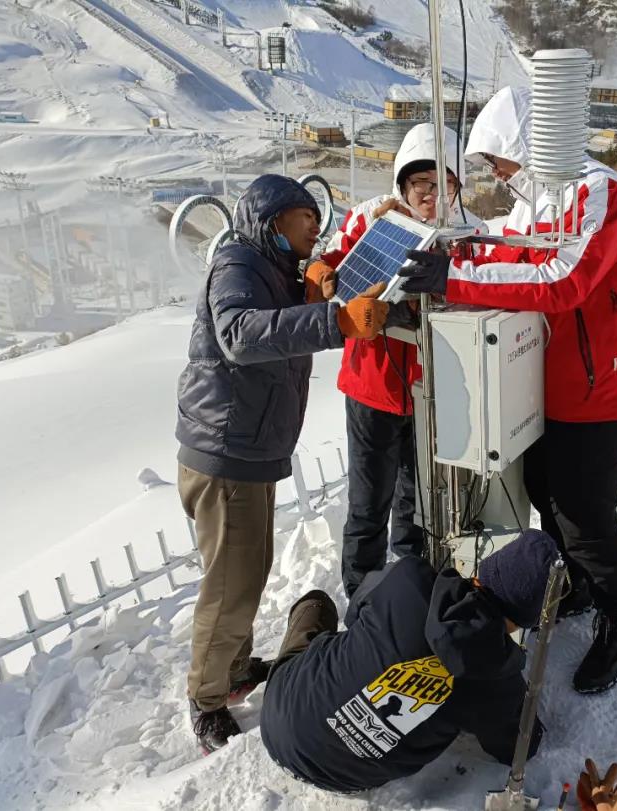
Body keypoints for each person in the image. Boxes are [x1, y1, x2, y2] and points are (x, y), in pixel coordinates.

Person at [399, 88, 617, 695]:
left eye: (499, 158)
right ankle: (583, 589)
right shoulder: (536, 201)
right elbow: (508, 248)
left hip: (597, 388)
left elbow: (561, 277)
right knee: (545, 493)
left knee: (586, 515)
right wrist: (460, 248)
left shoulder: (598, 193)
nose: (496, 173)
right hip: (545, 385)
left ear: (527, 142)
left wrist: (456, 277)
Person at [175, 174, 390, 753]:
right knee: (229, 585)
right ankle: (206, 699)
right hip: (226, 453)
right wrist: (335, 321)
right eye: (305, 219)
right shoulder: (237, 265)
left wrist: (314, 292)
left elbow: (281, 322)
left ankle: (233, 669)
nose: (315, 228)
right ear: (274, 222)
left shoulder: (270, 268)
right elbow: (240, 334)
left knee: (246, 572)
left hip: (246, 448)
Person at [314, 123, 485, 597]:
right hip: (373, 387)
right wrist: (324, 272)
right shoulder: (373, 220)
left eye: (443, 184)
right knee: (369, 501)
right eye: (420, 184)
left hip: (430, 391)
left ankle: (407, 587)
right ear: (403, 185)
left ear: (458, 185)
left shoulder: (469, 234)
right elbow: (335, 268)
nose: (431, 196)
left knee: (414, 496)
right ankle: (362, 596)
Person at [260, 529, 556, 793]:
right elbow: (520, 747)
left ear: (483, 572)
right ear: (520, 623)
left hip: (279, 720)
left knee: (316, 604)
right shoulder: (498, 680)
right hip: (343, 777)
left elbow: (354, 616)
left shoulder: (408, 577)